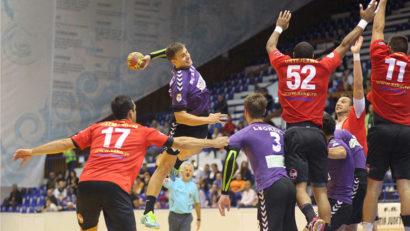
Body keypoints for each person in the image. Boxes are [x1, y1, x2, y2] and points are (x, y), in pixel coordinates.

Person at [13, 95, 228, 231]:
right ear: (131, 112)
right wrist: (211, 142)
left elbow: (65, 143)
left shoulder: (97, 128)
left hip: (86, 185)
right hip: (114, 187)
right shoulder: (143, 131)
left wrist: (33, 150)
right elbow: (179, 141)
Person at [266, 5, 377, 230]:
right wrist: (364, 22)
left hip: (294, 132)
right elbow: (345, 44)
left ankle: (311, 218)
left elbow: (270, 46)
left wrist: (279, 27)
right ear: (314, 56)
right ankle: (323, 225)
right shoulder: (322, 66)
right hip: (317, 135)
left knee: (300, 188)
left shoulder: (283, 64)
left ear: (294, 56)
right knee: (321, 191)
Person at [138, 43, 228, 228]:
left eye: (187, 52)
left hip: (201, 119)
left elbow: (167, 52)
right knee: (163, 167)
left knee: (196, 148)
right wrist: (208, 120)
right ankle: (148, 213)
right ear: (175, 61)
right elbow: (181, 117)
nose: (187, 56)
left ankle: (175, 164)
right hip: (185, 126)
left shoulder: (183, 63)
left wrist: (150, 56)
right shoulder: (180, 81)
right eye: (183, 56)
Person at [362, 0, 410, 230]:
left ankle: (368, 228)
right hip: (405, 131)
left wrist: (382, 1)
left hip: (381, 130)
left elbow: (378, 28)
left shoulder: (380, 57)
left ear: (389, 49)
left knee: (374, 185)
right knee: (405, 185)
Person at [218, 93, 297, 231]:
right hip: (289, 186)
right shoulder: (279, 132)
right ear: (264, 111)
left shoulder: (245, 132)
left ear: (245, 112)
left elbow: (230, 158)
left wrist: (225, 192)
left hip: (270, 186)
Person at [333, 36, 368, 231]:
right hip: (336, 177)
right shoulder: (330, 127)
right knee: (340, 222)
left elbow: (358, 88)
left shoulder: (356, 117)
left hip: (353, 174)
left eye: (344, 101)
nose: (339, 102)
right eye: (338, 101)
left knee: (347, 224)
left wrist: (355, 56)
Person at [323, 113, 355, 231]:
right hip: (333, 199)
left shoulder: (335, 142)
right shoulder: (329, 143)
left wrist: (318, 151)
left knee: (320, 227)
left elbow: (342, 152)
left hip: (340, 201)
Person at [163, 162, 201, 231]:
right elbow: (163, 180)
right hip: (173, 215)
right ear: (182, 172)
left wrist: (198, 218)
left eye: (190, 170)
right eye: (186, 170)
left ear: (192, 173)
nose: (188, 172)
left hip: (186, 217)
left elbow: (197, 203)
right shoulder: (174, 181)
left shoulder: (194, 186)